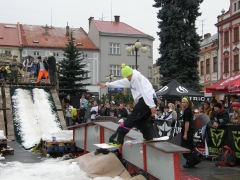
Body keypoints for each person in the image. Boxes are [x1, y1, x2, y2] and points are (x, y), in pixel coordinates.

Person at [97, 63, 157, 145]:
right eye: (127, 77)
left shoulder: (138, 78)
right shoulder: (130, 79)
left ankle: (118, 139)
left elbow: (146, 91)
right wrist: (107, 85)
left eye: (129, 76)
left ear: (131, 73)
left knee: (131, 119)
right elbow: (119, 82)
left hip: (147, 100)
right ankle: (149, 136)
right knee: (140, 121)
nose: (128, 78)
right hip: (146, 101)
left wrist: (152, 106)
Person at [181, 97, 200, 168]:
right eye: (182, 102)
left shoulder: (187, 111)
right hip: (188, 131)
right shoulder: (187, 111)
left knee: (186, 147)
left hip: (188, 131)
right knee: (189, 147)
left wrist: (185, 133)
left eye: (184, 102)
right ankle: (193, 160)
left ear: (187, 103)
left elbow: (187, 123)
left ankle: (191, 161)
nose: (183, 104)